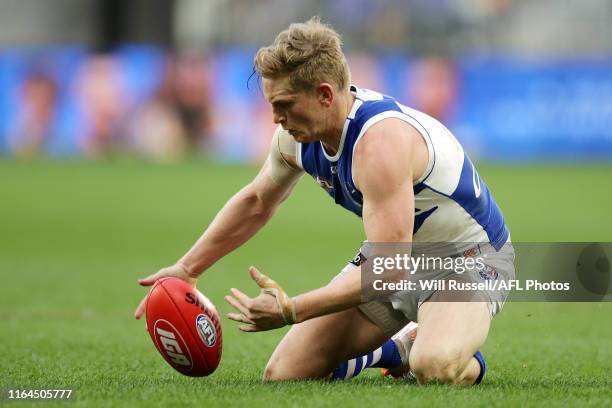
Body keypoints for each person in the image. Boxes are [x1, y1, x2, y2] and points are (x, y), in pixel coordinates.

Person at [134, 17, 514, 385]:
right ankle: (393, 351)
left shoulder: (381, 143)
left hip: (468, 259)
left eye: (283, 104)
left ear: (325, 94)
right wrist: (188, 268)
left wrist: (292, 309)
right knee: (284, 373)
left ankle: (425, 347)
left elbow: (390, 268)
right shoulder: (296, 137)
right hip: (393, 253)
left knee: (434, 366)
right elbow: (257, 201)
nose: (275, 118)